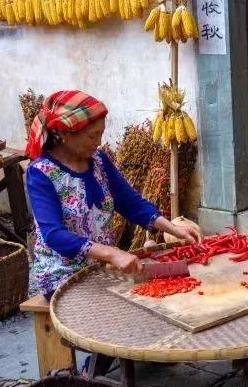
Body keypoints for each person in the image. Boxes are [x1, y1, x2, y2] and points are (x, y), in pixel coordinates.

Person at [25, 90, 201, 299]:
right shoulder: (41, 173)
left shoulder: (99, 161)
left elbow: (130, 203)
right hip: (61, 274)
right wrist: (112, 253)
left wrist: (174, 229)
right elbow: (54, 235)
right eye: (92, 136)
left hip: (101, 267)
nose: (98, 142)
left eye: (101, 134)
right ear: (65, 134)